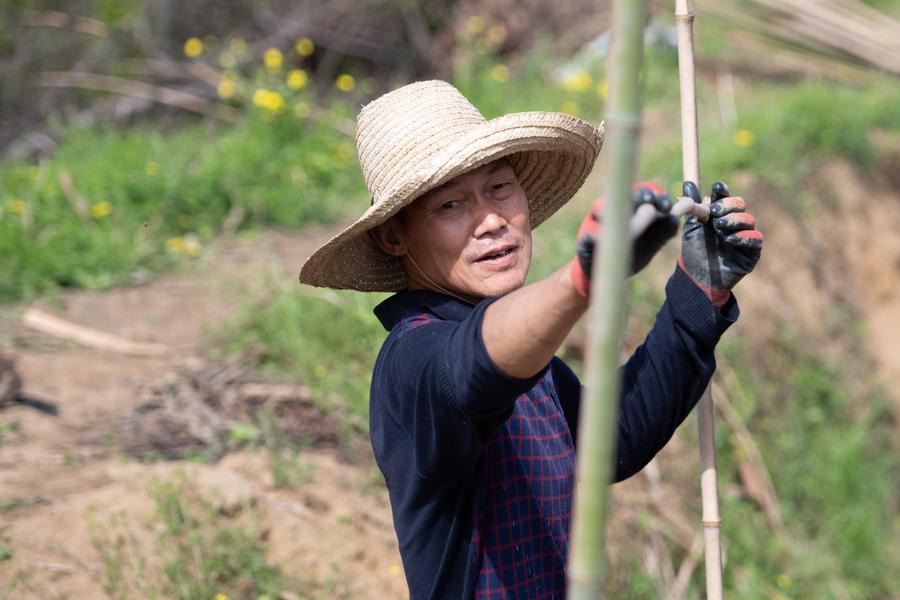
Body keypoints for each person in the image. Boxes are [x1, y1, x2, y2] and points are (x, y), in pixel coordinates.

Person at [299, 80, 762, 599]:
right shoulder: (414, 360)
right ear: (394, 237)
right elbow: (475, 365)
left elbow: (612, 437)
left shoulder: (530, 360)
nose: (491, 221)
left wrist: (699, 291)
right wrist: (583, 280)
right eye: (450, 205)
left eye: (499, 187)